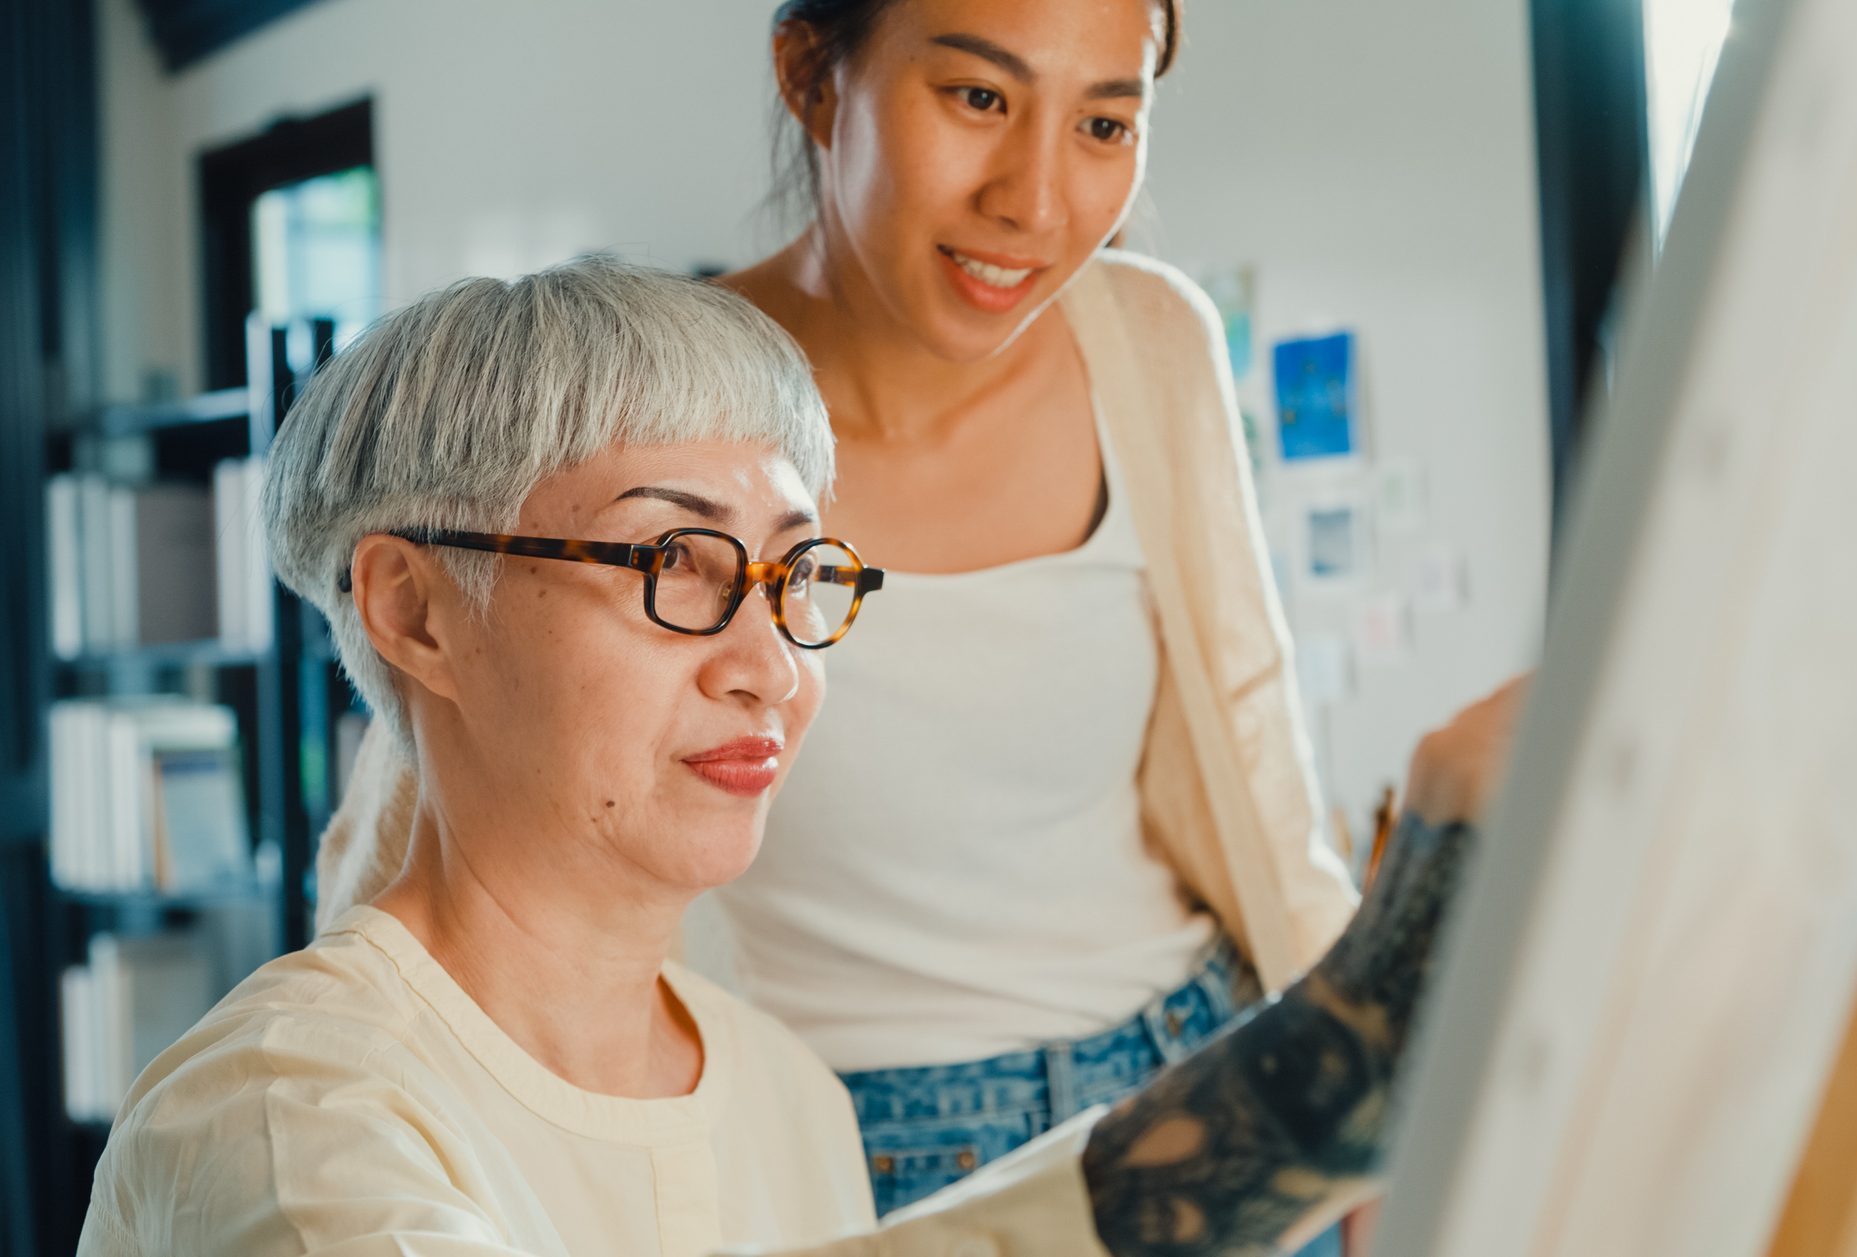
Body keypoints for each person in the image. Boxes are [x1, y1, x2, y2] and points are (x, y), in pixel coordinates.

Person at [76, 257, 1524, 1257]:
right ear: (412, 611)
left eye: (795, 576)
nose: (770, 663)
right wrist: (1309, 1080)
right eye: (675, 563)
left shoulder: (783, 1095)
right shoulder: (281, 1106)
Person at [320, 0, 1362, 1237]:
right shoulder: (654, 409)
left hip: (1196, 1070)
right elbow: (437, 787)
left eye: (1101, 121)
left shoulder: (1151, 343)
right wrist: (349, 1082)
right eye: (977, 98)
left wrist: (1356, 1069)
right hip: (840, 1147)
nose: (1033, 201)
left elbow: (1254, 750)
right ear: (813, 75)